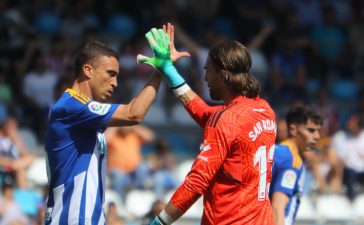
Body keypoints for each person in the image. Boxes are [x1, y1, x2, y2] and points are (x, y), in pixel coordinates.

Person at [138, 23, 277, 225]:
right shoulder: (265, 111)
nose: (204, 78)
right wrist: (168, 69)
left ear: (222, 75)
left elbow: (196, 182)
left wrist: (159, 222)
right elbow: (206, 114)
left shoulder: (226, 120)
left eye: (207, 71)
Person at [44, 40, 165, 225]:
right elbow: (133, 114)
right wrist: (161, 70)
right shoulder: (71, 106)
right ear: (88, 70)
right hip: (71, 219)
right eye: (111, 74)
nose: (115, 83)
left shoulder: (85, 116)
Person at [269, 105, 323, 225]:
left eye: (318, 131)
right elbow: (278, 207)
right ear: (293, 129)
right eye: (311, 130)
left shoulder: (276, 151)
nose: (317, 136)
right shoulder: (292, 160)